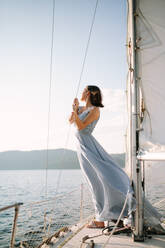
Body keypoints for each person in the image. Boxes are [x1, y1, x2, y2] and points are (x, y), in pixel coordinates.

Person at [69, 85, 135, 228]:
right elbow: (71, 121)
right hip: (81, 147)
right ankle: (104, 214)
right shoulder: (81, 108)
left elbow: (81, 127)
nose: (81, 92)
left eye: (84, 90)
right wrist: (74, 109)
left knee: (97, 179)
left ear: (88, 94)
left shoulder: (95, 111)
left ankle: (105, 216)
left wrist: (75, 112)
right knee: (93, 180)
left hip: (89, 147)